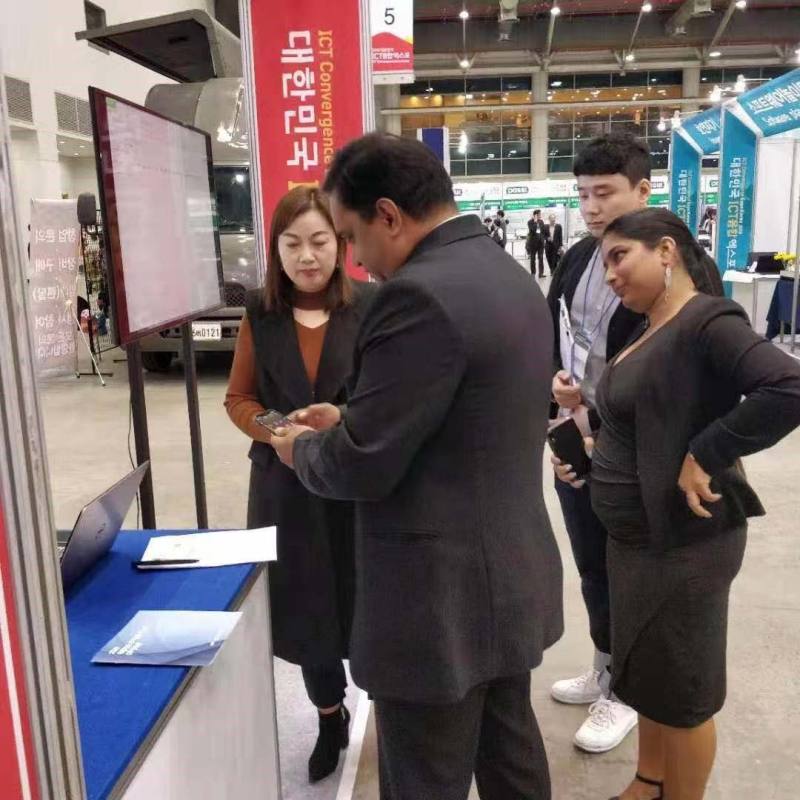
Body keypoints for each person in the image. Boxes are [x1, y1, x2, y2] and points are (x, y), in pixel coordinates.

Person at [270, 133, 563, 800]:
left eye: (350, 236)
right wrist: (351, 417)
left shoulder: (416, 296)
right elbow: (464, 414)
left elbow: (360, 466)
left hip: (435, 603)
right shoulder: (506, 273)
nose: (354, 258)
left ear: (389, 215)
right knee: (510, 757)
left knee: (424, 778)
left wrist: (299, 448)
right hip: (508, 576)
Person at [558, 207, 800, 800]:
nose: (609, 274)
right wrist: (587, 447)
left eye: (620, 256)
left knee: (684, 692)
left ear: (665, 251)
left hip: (685, 542)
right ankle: (649, 780)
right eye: (604, 262)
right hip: (635, 542)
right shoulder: (646, 326)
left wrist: (707, 452)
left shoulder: (707, 321)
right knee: (646, 674)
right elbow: (642, 421)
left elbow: (788, 387)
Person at [224, 185, 376, 784]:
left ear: (341, 245)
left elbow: (391, 400)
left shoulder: (371, 305)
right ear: (276, 250)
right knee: (308, 608)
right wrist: (277, 430)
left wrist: (347, 423)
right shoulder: (259, 315)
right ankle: (328, 715)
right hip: (284, 486)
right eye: (292, 244)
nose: (307, 256)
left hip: (357, 483)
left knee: (368, 599)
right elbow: (240, 398)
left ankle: (391, 710)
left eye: (318, 241)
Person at [546, 133, 650, 754]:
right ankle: (605, 667)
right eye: (583, 193)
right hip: (574, 432)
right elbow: (553, 330)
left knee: (630, 569)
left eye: (604, 193)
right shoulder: (578, 256)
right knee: (591, 565)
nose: (591, 207)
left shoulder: (674, 262)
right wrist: (556, 387)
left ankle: (628, 692)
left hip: (634, 448)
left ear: (642, 190)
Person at [527, 209, 548, 278]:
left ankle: (541, 273)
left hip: (540, 243)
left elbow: (543, 231)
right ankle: (533, 273)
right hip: (533, 243)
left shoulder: (541, 221)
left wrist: (544, 239)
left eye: (540, 214)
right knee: (533, 258)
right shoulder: (530, 222)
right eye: (539, 214)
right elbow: (533, 230)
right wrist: (535, 221)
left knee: (541, 258)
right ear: (535, 215)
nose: (540, 215)